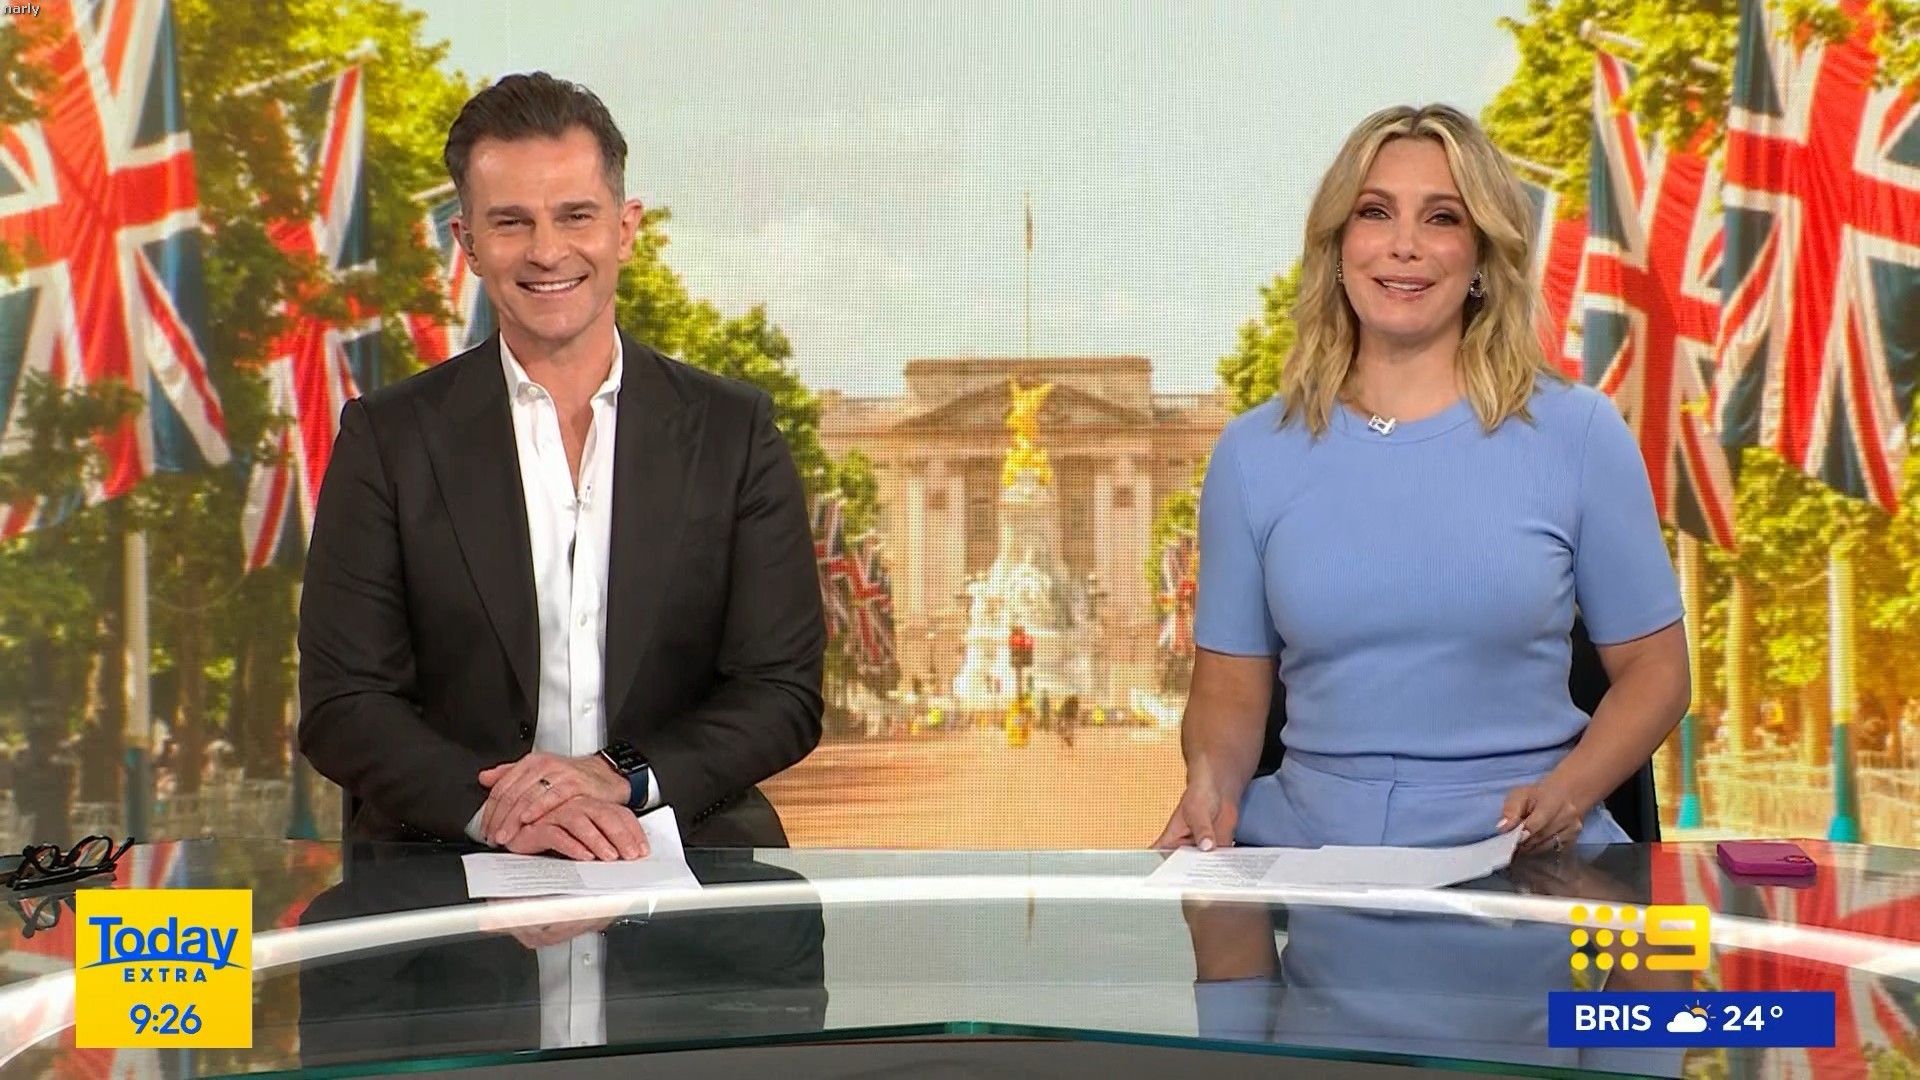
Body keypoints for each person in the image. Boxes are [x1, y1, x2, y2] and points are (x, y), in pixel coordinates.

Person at [298, 73, 825, 859]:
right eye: (511, 222)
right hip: (446, 865)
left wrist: (620, 778)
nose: (547, 251)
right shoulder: (386, 440)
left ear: (626, 228)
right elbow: (343, 705)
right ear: (468, 244)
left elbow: (781, 692)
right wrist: (503, 813)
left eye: (575, 216)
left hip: (685, 856)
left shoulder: (734, 433)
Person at [1154, 104, 1689, 857]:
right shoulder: (1251, 454)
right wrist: (1212, 782)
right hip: (1305, 863)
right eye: (1375, 213)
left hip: (1523, 861)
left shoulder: (1581, 435)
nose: (1404, 245)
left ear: (1481, 258)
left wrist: (1570, 791)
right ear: (1337, 246)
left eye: (1442, 218)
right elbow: (1230, 688)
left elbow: (1658, 670)